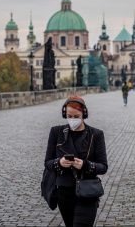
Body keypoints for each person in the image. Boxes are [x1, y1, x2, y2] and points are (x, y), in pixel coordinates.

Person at [44, 96, 108, 227]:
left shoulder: (95, 134)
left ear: (84, 114)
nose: (72, 120)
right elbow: (47, 163)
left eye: (76, 116)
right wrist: (59, 162)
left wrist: (85, 165)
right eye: (69, 116)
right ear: (64, 115)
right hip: (64, 192)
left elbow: (103, 167)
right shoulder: (56, 132)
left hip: (87, 192)